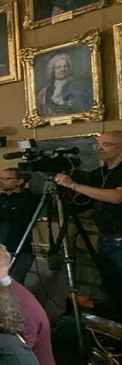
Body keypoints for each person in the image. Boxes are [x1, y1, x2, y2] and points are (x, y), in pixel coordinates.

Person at [56, 129, 122, 311]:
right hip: (105, 237)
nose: (100, 149)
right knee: (110, 285)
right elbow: (84, 202)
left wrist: (74, 184)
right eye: (98, 144)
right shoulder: (98, 174)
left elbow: (117, 197)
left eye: (106, 145)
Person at [35, 52, 92, 116]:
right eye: (58, 67)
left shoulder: (79, 86)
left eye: (65, 66)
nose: (62, 69)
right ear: (53, 70)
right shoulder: (44, 92)